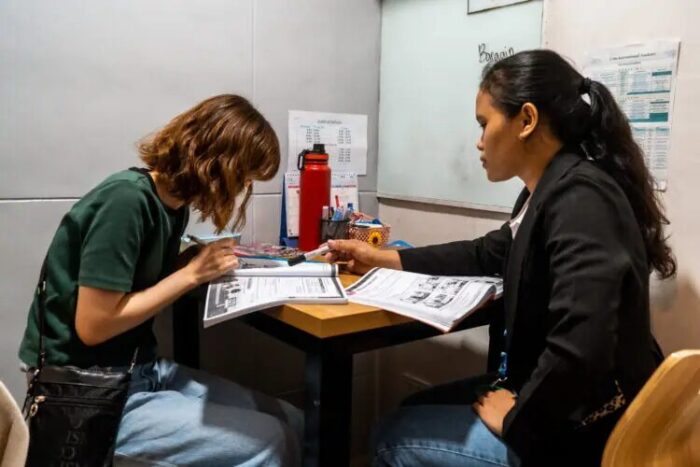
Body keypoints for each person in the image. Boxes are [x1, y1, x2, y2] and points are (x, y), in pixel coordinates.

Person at [327, 49, 675, 466]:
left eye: (484, 124)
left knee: (390, 437)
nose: (479, 141)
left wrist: (517, 419)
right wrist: (379, 258)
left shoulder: (580, 198)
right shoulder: (545, 192)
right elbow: (486, 252)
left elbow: (582, 348)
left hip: (591, 432)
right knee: (411, 408)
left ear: (526, 120)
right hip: (557, 399)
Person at [19, 95, 303, 466]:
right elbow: (93, 326)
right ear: (218, 166)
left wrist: (188, 262)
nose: (243, 189)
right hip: (86, 389)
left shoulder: (172, 207)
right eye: (244, 177)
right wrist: (191, 274)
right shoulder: (126, 201)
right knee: (270, 441)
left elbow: (138, 283)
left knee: (294, 420)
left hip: (141, 369)